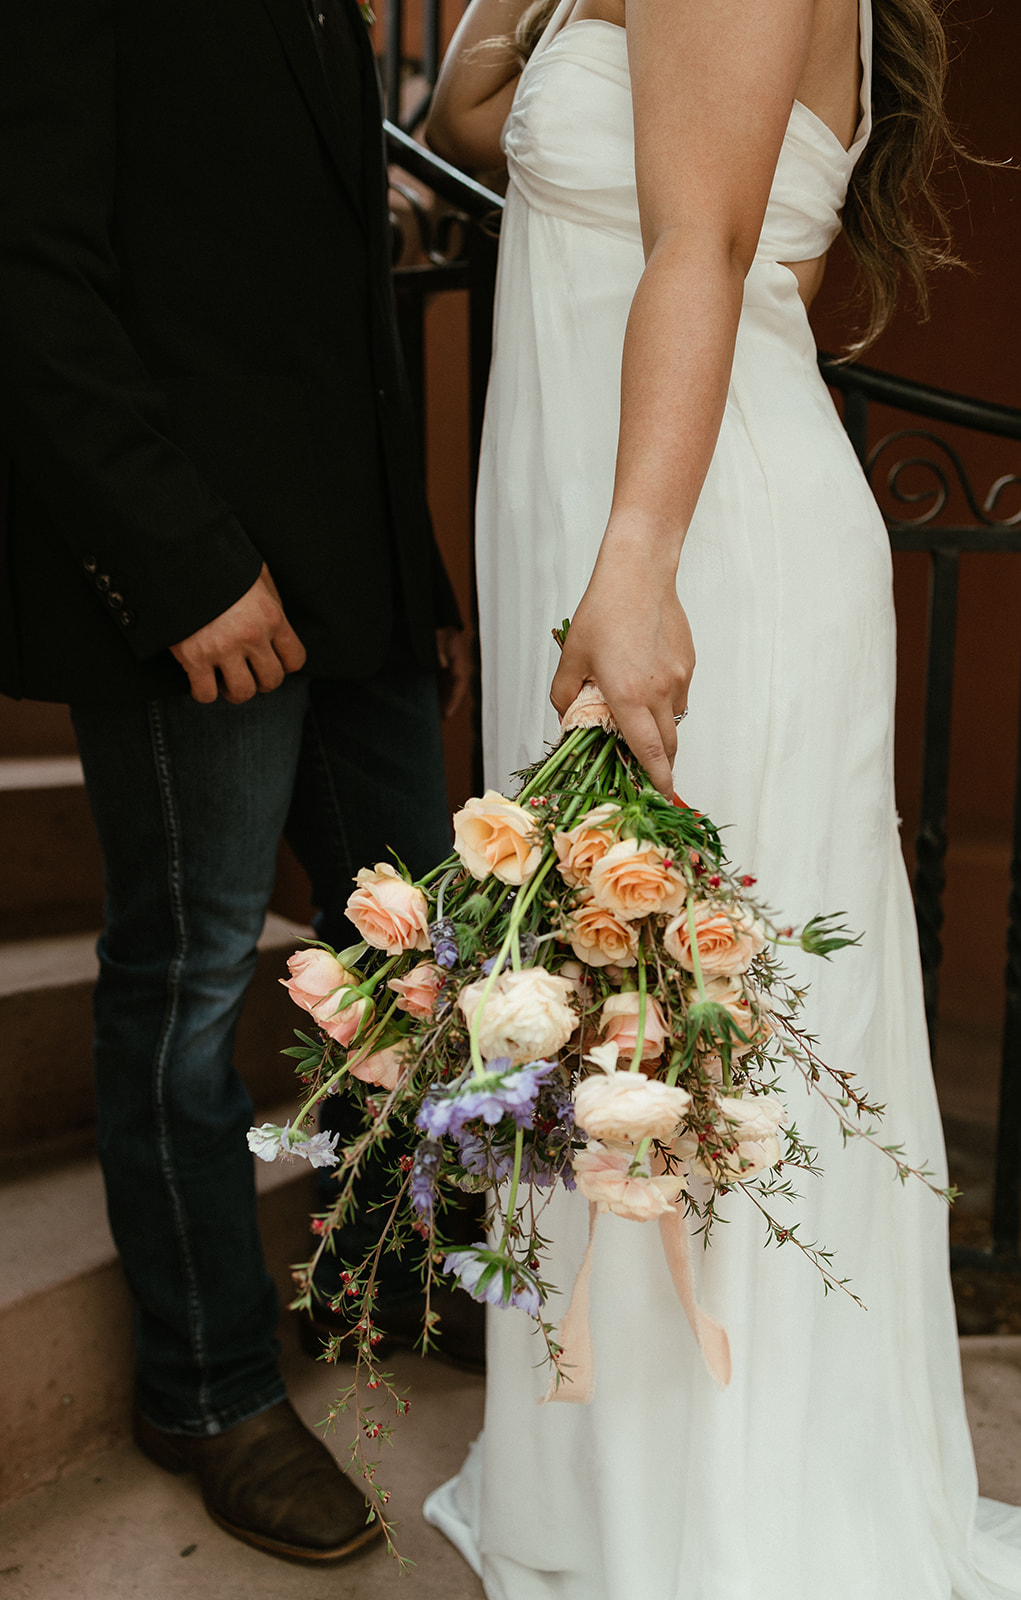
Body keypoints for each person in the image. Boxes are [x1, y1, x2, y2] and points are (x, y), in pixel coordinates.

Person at [421, 1, 1021, 1596]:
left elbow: (701, 245)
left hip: (696, 548)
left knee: (710, 1049)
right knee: (590, 1026)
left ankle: (740, 1526)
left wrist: (637, 566)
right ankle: (613, 1491)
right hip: (605, 525)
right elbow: (471, 119)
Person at [0, 0, 471, 1567]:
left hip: (358, 585)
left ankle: (405, 1269)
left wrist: (410, 586)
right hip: (194, 592)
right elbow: (27, 274)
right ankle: (204, 1388)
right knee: (188, 983)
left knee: (421, 951)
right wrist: (183, 564)